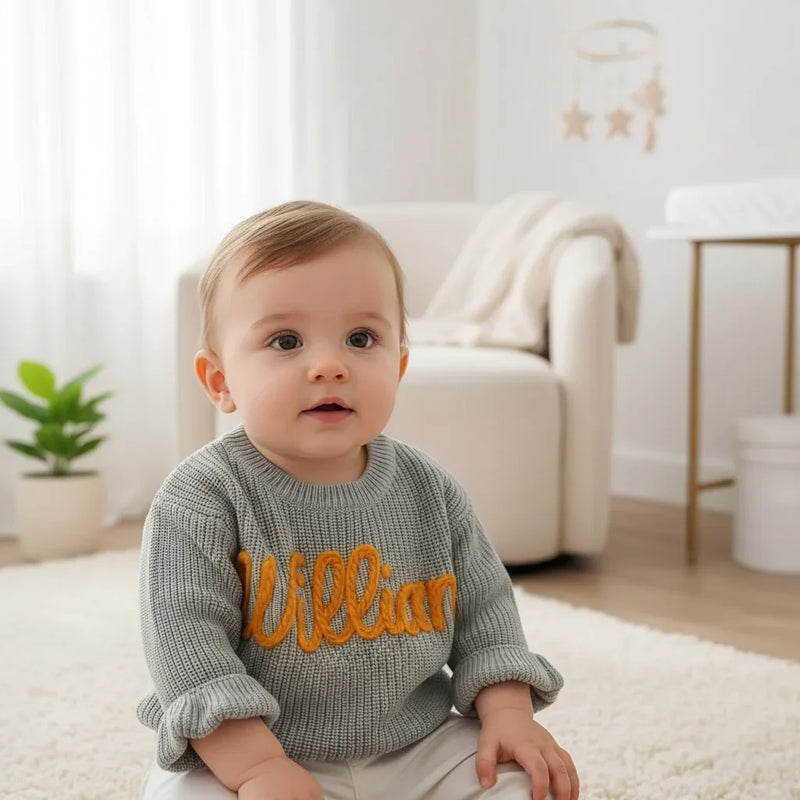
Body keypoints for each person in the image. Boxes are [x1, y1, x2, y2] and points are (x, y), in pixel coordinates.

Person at [136, 200, 579, 800]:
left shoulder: (430, 490)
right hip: (253, 748)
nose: (329, 366)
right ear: (220, 381)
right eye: (285, 340)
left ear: (397, 366)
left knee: (528, 782)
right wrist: (258, 769)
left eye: (360, 338)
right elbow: (190, 654)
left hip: (417, 745)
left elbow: (487, 614)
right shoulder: (200, 500)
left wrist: (507, 713)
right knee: (182, 794)